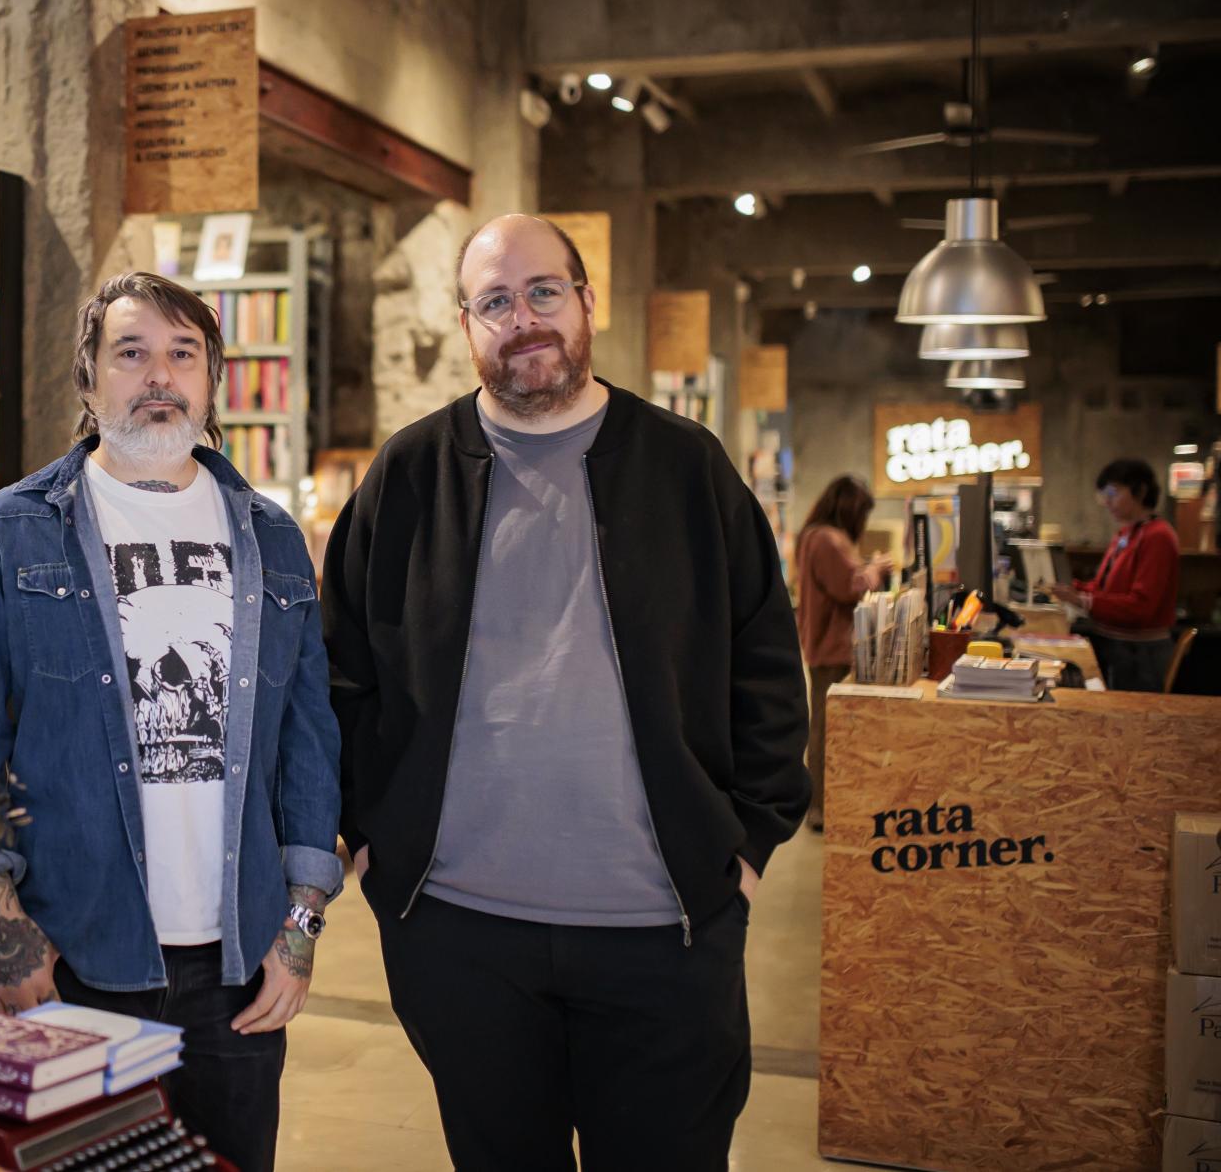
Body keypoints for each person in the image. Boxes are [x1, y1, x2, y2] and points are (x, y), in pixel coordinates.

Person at [322, 214, 811, 1171]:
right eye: (495, 301)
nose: (524, 319)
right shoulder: (409, 475)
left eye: (545, 291)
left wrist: (744, 847)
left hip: (661, 931)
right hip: (461, 936)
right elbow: (342, 671)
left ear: (588, 302)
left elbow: (765, 666)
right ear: (468, 323)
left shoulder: (686, 467)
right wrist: (371, 840)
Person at [0, 272, 343, 1172]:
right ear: (88, 383)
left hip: (239, 965)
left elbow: (308, 738)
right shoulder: (16, 530)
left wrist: (300, 929)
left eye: (181, 353)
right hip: (74, 950)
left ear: (212, 383)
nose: (158, 375)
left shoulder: (271, 538)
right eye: (131, 353)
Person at [793, 476, 893, 831]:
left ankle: (821, 804)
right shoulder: (827, 539)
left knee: (824, 726)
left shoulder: (814, 536)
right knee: (826, 730)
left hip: (825, 646)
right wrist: (875, 570)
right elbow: (847, 587)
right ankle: (820, 808)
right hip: (833, 647)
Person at [1053, 458, 1181, 691]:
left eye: (1113, 493)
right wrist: (1075, 589)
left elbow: (1141, 608)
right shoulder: (1127, 533)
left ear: (1140, 491)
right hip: (1119, 647)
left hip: (1140, 654)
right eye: (1104, 495)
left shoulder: (1158, 536)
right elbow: (1106, 589)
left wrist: (1082, 599)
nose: (1106, 502)